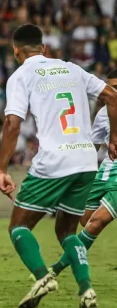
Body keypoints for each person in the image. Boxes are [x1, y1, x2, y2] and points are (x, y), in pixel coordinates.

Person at [0, 24, 117, 308]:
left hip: (53, 160)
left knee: (19, 226)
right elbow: (112, 95)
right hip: (87, 159)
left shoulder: (21, 75)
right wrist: (114, 138)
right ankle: (86, 289)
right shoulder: (72, 68)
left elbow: (13, 123)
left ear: (16, 52)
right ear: (44, 48)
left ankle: (42, 277)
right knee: (66, 231)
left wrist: (2, 168)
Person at [47, 70, 117, 277]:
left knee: (96, 223)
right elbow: (92, 148)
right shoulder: (104, 114)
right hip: (105, 172)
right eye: (112, 87)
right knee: (85, 220)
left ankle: (55, 270)